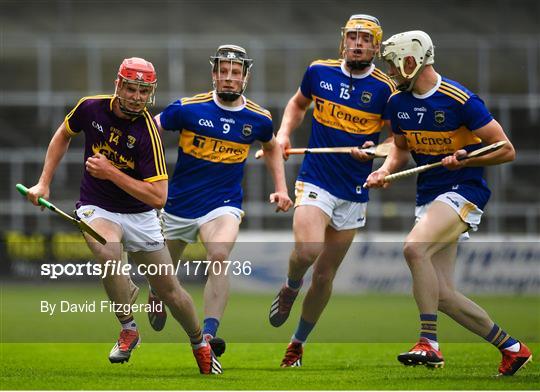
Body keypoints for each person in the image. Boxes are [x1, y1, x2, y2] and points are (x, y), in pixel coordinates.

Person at [27, 57, 222, 374]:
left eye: (144, 92)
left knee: (171, 292)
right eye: (131, 89)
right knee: (107, 248)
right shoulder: (90, 108)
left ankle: (199, 343)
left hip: (141, 215)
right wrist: (44, 183)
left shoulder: (147, 133)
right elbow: (63, 134)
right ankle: (128, 326)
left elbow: (159, 197)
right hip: (97, 206)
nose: (137, 97)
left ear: (151, 93)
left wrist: (110, 172)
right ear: (118, 85)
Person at [364, 30, 532, 376]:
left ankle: (429, 344)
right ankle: (513, 348)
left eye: (393, 66)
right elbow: (400, 147)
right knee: (441, 296)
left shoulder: (459, 99)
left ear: (411, 61)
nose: (390, 74)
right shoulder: (397, 103)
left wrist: (466, 158)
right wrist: (383, 171)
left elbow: (506, 149)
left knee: (413, 248)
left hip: (463, 190)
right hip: (429, 195)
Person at [267, 14, 396, 367]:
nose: (357, 43)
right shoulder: (319, 71)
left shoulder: (386, 89)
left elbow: (396, 141)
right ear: (343, 41)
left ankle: (297, 343)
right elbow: (297, 104)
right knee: (308, 250)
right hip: (317, 178)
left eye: (365, 39)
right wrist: (284, 133)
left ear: (376, 46)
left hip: (353, 189)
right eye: (352, 36)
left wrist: (375, 152)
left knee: (324, 276)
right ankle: (291, 285)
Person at [149, 45, 292, 356]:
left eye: (235, 73)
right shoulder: (188, 108)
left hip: (222, 204)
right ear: (214, 75)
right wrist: (146, 169)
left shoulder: (258, 118)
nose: (229, 78)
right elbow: (151, 129)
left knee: (219, 255)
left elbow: (271, 147)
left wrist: (281, 187)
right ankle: (156, 292)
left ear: (245, 78)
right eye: (223, 72)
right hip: (179, 205)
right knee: (162, 273)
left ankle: (209, 334)